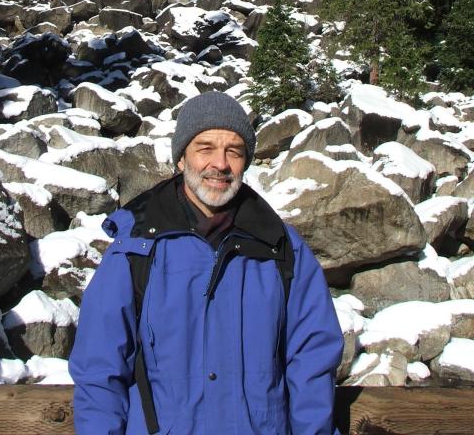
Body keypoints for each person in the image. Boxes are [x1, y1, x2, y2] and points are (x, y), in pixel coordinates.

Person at [69, 91, 344, 435]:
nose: (221, 164)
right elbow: (99, 370)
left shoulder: (282, 248)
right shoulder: (136, 249)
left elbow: (313, 364)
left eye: (234, 150)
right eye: (205, 148)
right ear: (182, 159)